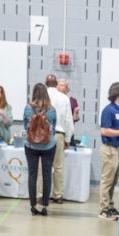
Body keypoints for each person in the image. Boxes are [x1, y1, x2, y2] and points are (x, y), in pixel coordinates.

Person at [98, 81, 119, 220]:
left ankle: (110, 206)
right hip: (109, 150)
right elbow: (105, 131)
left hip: (117, 150)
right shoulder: (109, 110)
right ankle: (103, 209)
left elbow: (116, 130)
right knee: (107, 181)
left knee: (113, 181)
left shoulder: (118, 110)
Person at [22, 83, 57, 216]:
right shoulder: (51, 110)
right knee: (47, 175)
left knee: (32, 174)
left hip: (31, 145)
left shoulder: (28, 108)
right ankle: (44, 206)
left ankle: (33, 205)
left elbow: (26, 126)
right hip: (48, 145)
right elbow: (53, 127)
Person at [44, 74, 74, 204]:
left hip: (42, 135)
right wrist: (67, 138)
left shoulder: (41, 97)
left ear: (46, 83)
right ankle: (58, 195)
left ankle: (41, 195)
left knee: (42, 166)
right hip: (58, 134)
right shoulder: (64, 98)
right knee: (58, 167)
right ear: (56, 84)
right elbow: (68, 120)